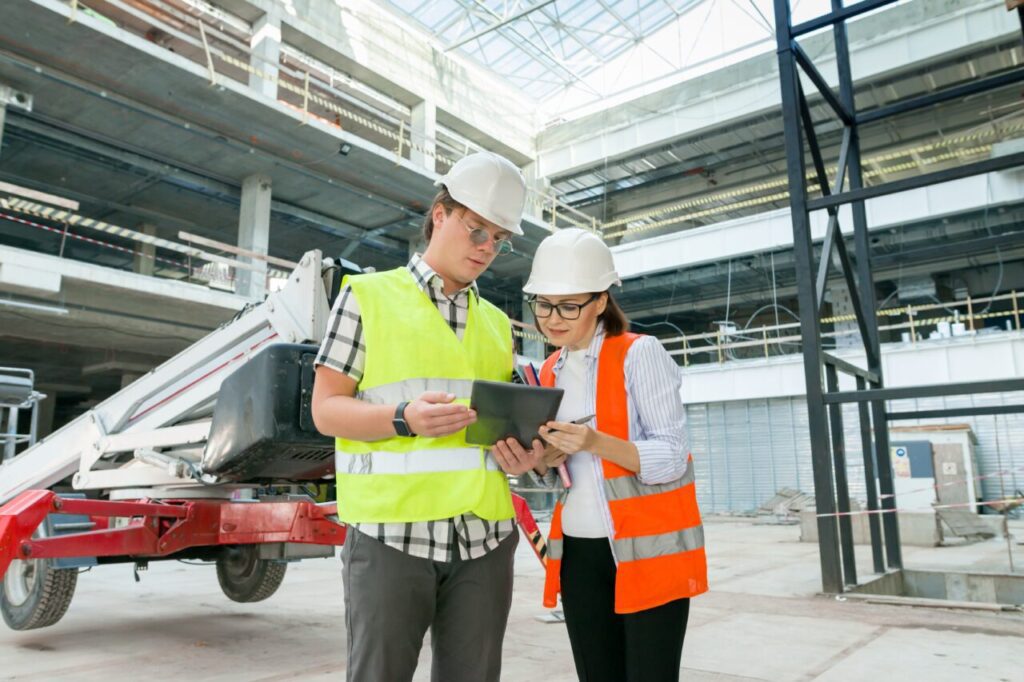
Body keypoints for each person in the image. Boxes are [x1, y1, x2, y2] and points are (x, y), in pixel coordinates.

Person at [311, 151, 537, 682]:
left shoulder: (499, 324)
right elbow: (326, 410)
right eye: (476, 229)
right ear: (440, 213)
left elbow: (496, 428)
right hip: (392, 536)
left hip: (484, 537)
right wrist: (402, 417)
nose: (486, 249)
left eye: (499, 238)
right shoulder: (366, 297)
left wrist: (521, 449)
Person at [493, 228, 708, 682]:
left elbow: (672, 455)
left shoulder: (638, 354)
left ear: (600, 301)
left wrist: (594, 442)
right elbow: (564, 473)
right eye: (543, 305)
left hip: (646, 549)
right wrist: (541, 461)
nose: (552, 318)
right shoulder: (548, 369)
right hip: (577, 550)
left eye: (568, 306)